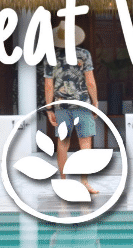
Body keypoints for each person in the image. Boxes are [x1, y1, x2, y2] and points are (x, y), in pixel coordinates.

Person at [43, 24, 101, 194]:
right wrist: (95, 102)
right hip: (82, 104)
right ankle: (84, 183)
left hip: (61, 106)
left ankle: (63, 182)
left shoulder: (50, 57)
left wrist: (49, 109)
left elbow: (48, 85)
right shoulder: (84, 55)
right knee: (85, 144)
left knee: (62, 143)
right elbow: (90, 81)